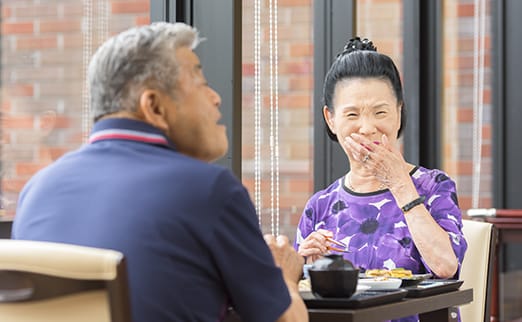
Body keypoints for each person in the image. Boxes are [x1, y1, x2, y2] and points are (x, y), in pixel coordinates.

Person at [12, 22, 308, 322]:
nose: (216, 97)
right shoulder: (209, 190)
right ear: (153, 105)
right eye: (200, 81)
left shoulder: (35, 190)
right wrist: (284, 277)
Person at [294, 37, 467, 322]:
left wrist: (399, 183)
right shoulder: (320, 205)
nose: (367, 127)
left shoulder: (434, 186)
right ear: (331, 119)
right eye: (352, 114)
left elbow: (446, 266)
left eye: (380, 112)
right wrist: (306, 266)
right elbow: (298, 301)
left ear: (399, 113)